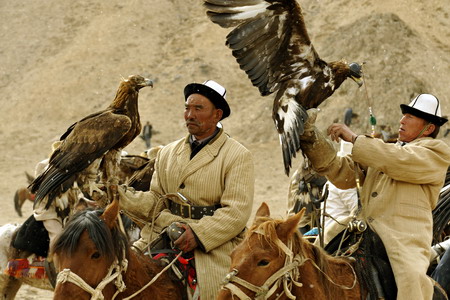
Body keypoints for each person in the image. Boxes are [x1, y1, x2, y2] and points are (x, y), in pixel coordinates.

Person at [298, 93, 450, 299]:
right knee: (308, 262)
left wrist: (354, 139)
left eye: (410, 117)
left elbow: (398, 160)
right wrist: (312, 138)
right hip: (362, 229)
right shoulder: (387, 151)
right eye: (403, 115)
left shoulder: (437, 153)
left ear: (429, 128)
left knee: (413, 283)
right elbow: (343, 174)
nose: (402, 120)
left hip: (404, 239)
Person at [118, 80, 254, 299]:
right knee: (121, 279)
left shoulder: (237, 156)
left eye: (198, 109)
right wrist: (120, 197)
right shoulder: (167, 153)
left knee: (218, 292)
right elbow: (157, 200)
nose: (189, 115)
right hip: (162, 233)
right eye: (187, 107)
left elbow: (236, 213)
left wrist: (198, 235)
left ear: (217, 115)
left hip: (213, 244)